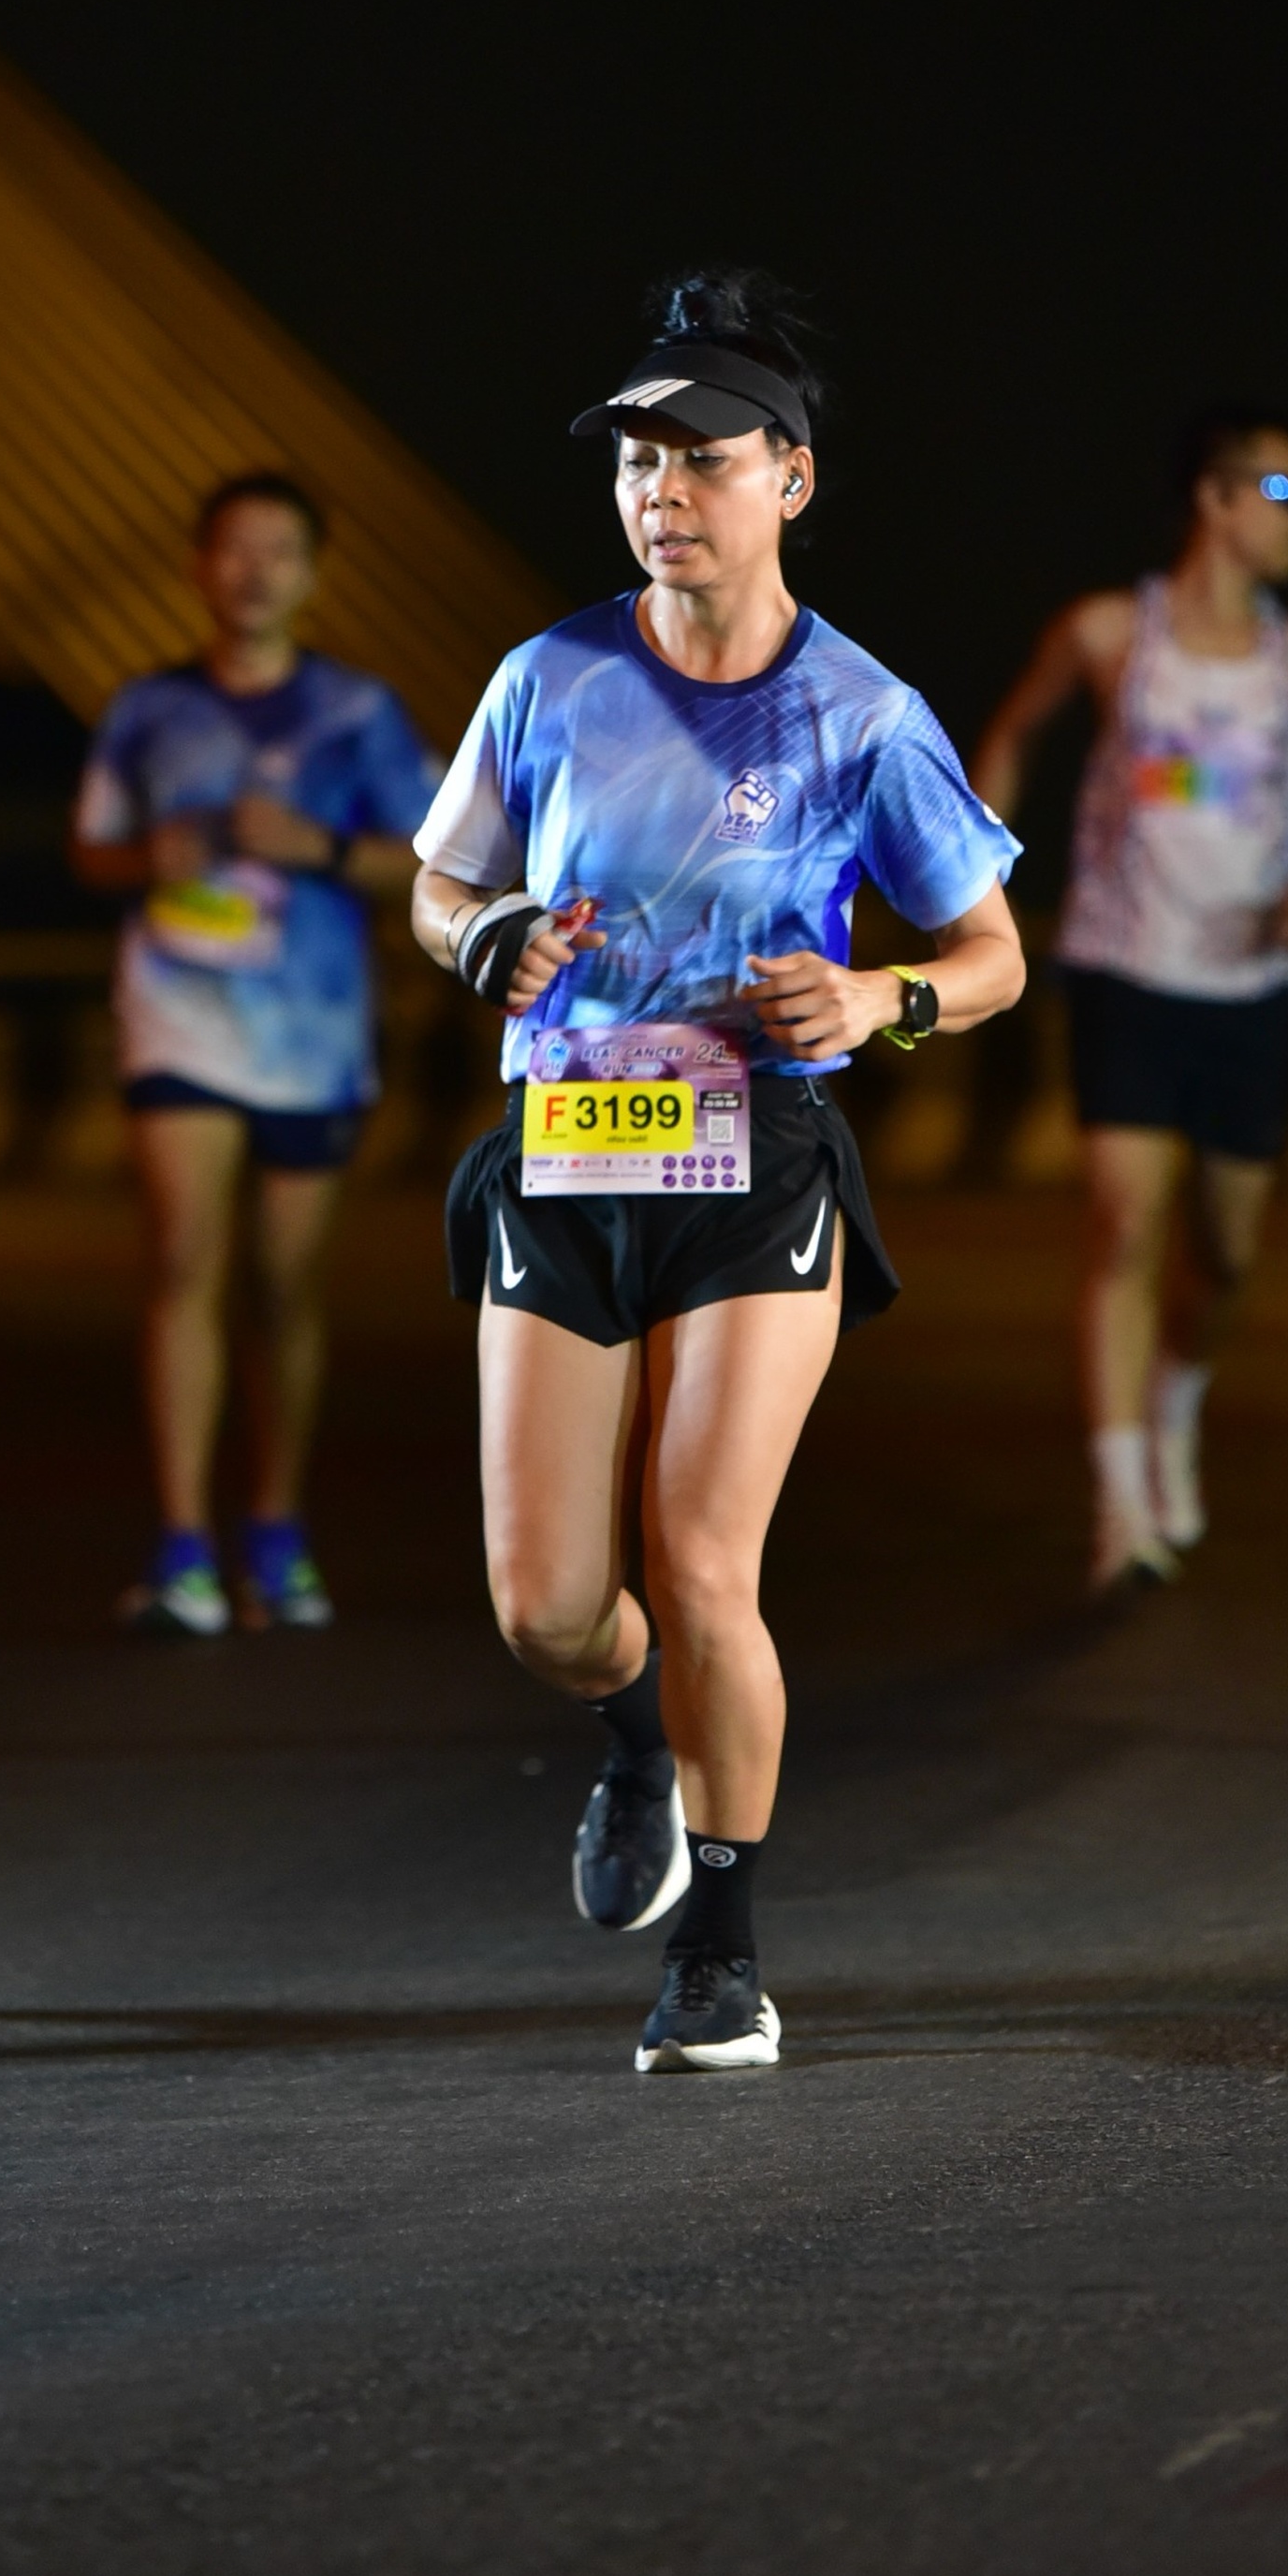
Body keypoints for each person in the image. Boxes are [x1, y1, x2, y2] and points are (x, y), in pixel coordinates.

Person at [412, 273, 1025, 2074]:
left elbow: (992, 956)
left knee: (697, 1563)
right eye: (635, 462)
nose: (660, 492)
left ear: (791, 480)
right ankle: (633, 1747)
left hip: (760, 1164)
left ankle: (723, 1959)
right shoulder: (547, 679)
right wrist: (481, 938)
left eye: (701, 459)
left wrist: (881, 997)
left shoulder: (860, 713)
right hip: (567, 1153)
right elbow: (440, 883)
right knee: (545, 1608)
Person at [972, 408, 1288, 1592]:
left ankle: (1173, 1404)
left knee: (1227, 1252)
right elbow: (1005, 742)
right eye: (1284, 492)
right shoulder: (1108, 632)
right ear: (1212, 497)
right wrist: (969, 887)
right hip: (1124, 972)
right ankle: (1119, 1507)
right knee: (1122, 1223)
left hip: (1248, 989)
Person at [72, 475, 437, 1634]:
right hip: (177, 1013)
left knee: (284, 1287)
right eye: (233, 549)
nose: (253, 572)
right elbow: (93, 849)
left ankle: (276, 1527)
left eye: (279, 551)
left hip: (312, 1035)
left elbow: (434, 863)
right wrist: (150, 859)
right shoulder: (147, 708)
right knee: (184, 1258)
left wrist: (317, 846)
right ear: (198, 565)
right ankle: (184, 1545)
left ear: (311, 574)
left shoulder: (357, 711)